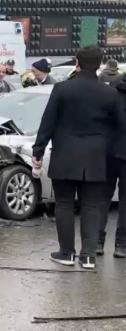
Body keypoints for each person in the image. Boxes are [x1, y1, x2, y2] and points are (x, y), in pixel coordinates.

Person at [32, 46, 126, 269]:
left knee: (64, 204)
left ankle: (66, 253)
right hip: (96, 157)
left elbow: (48, 122)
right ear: (100, 63)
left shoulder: (62, 89)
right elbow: (120, 127)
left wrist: (38, 150)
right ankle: (88, 256)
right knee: (92, 205)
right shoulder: (109, 93)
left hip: (65, 154)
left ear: (77, 62)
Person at [100, 74, 126, 258]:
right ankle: (122, 245)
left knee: (102, 198)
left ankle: (97, 242)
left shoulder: (110, 91)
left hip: (108, 151)